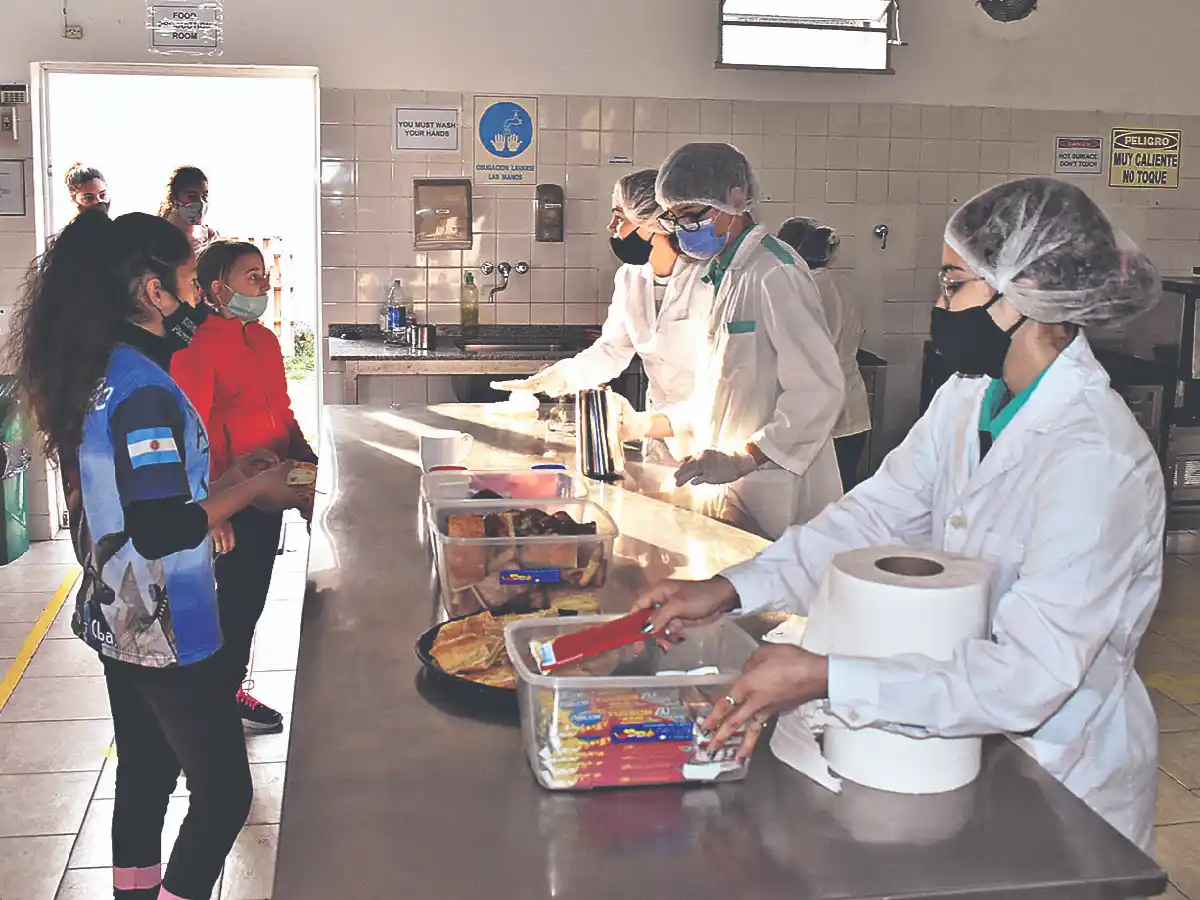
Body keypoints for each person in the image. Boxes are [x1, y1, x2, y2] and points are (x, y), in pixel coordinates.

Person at [635, 177, 1165, 854]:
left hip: (1062, 773)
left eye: (955, 284)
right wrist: (731, 588)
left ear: (1026, 296)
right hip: (955, 738)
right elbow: (871, 519)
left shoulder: (1095, 459)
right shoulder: (969, 400)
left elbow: (1031, 677)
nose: (939, 305)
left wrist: (824, 674)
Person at [12, 210, 301, 900]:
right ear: (152, 291)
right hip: (168, 626)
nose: (198, 297)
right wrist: (253, 490)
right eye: (189, 282)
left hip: (121, 618)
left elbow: (145, 497)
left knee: (145, 776)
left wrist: (227, 483)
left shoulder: (109, 370)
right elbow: (159, 529)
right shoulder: (144, 391)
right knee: (225, 795)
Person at [631, 143, 844, 540]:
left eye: (692, 216)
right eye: (675, 219)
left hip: (778, 485)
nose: (684, 230)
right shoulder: (724, 273)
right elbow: (724, 388)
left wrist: (746, 458)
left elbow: (819, 392)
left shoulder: (774, 271)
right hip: (737, 488)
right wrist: (648, 424)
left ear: (737, 199)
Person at [172, 239, 317, 734]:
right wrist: (213, 509)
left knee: (249, 599)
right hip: (231, 496)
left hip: (270, 484)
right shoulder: (199, 345)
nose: (263, 284)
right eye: (252, 276)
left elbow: (283, 412)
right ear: (217, 288)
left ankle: (229, 690)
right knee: (229, 606)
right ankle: (212, 708)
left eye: (264, 275)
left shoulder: (264, 341)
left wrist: (308, 464)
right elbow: (194, 433)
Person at [493, 169, 711, 463]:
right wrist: (556, 377)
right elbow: (610, 351)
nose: (611, 227)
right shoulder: (630, 277)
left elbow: (727, 381)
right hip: (660, 434)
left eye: (620, 218)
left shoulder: (709, 280)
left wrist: (648, 424)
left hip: (710, 428)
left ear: (656, 223)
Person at [778, 217, 871, 491]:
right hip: (853, 410)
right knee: (843, 494)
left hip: (821, 418)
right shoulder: (846, 286)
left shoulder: (802, 289)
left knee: (817, 502)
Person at [159, 165, 218, 253]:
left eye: (204, 196)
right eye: (191, 196)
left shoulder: (209, 236)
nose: (201, 203)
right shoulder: (158, 235)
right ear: (174, 198)